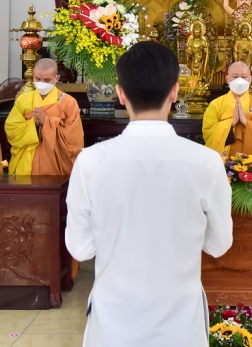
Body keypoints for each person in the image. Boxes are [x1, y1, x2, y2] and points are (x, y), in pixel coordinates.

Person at [66, 41, 232, 347]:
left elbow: (80, 249)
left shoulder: (90, 162)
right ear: (175, 91)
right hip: (180, 325)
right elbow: (219, 245)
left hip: (113, 324)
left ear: (120, 94)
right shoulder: (206, 162)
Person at [5, 58, 84, 175]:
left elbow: (74, 140)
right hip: (26, 164)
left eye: (47, 80)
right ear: (33, 76)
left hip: (54, 166)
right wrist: (33, 124)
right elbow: (11, 131)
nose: (41, 83)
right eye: (38, 79)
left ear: (56, 78)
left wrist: (47, 122)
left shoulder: (68, 102)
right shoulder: (23, 100)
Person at [202, 61, 252, 161]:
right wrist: (232, 122)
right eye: (235, 77)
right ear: (227, 79)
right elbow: (208, 134)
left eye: (244, 77)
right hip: (224, 163)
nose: (239, 80)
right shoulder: (215, 105)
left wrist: (246, 122)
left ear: (250, 79)